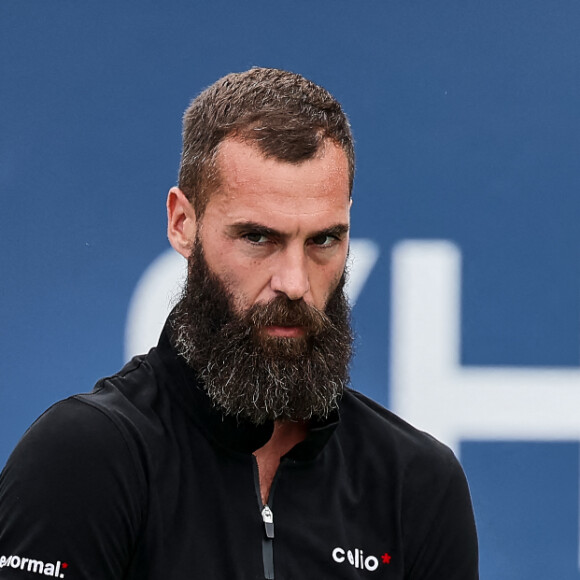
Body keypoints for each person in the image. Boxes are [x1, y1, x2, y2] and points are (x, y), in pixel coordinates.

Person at [0, 67, 478, 579]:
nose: (294, 283)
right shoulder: (84, 458)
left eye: (323, 240)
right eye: (257, 237)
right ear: (183, 224)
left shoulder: (416, 483)